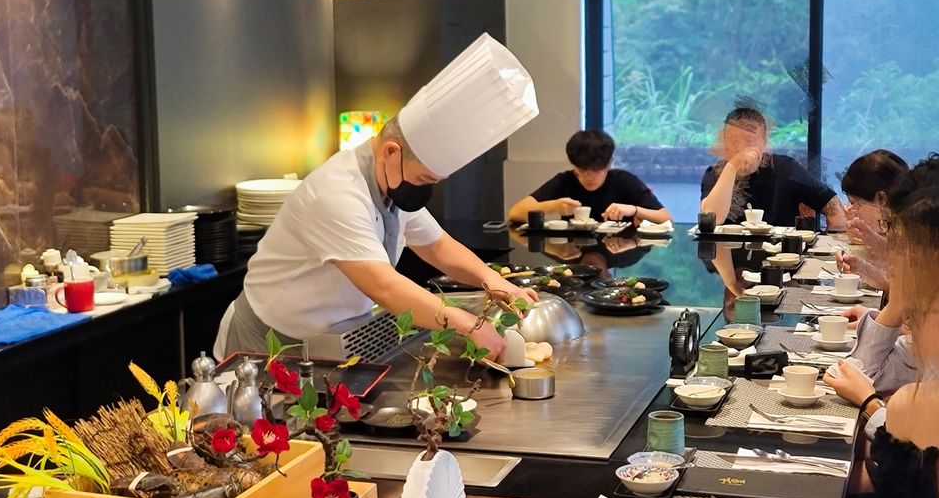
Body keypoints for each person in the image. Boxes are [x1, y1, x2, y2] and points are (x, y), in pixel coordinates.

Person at [214, 34, 540, 362]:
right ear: (390, 151)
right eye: (424, 178)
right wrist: (466, 325)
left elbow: (438, 246)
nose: (425, 188)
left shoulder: (391, 182)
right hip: (265, 342)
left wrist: (493, 280)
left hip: (328, 339)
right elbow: (383, 286)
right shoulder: (337, 194)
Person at [829, 155, 939, 498]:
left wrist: (874, 408)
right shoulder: (914, 401)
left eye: (897, 235)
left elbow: (868, 375)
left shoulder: (913, 405)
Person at [700, 106, 846, 228]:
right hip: (726, 256)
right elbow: (712, 220)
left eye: (749, 140)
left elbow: (834, 206)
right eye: (733, 141)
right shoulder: (715, 173)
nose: (741, 148)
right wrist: (732, 167)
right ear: (724, 143)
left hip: (782, 257)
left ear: (764, 143)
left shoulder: (786, 168)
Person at [507, 130, 672, 224]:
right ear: (574, 166)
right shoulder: (565, 181)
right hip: (574, 257)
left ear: (609, 164)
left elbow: (667, 219)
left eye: (597, 169)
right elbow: (515, 213)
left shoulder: (623, 181)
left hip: (619, 248)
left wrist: (635, 210)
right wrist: (554, 206)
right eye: (583, 169)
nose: (589, 176)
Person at [835, 149, 909, 289]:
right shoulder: (900, 220)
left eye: (854, 202)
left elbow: (909, 293)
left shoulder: (918, 226)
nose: (852, 209)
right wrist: (871, 238)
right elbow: (900, 258)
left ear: (882, 198)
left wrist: (864, 268)